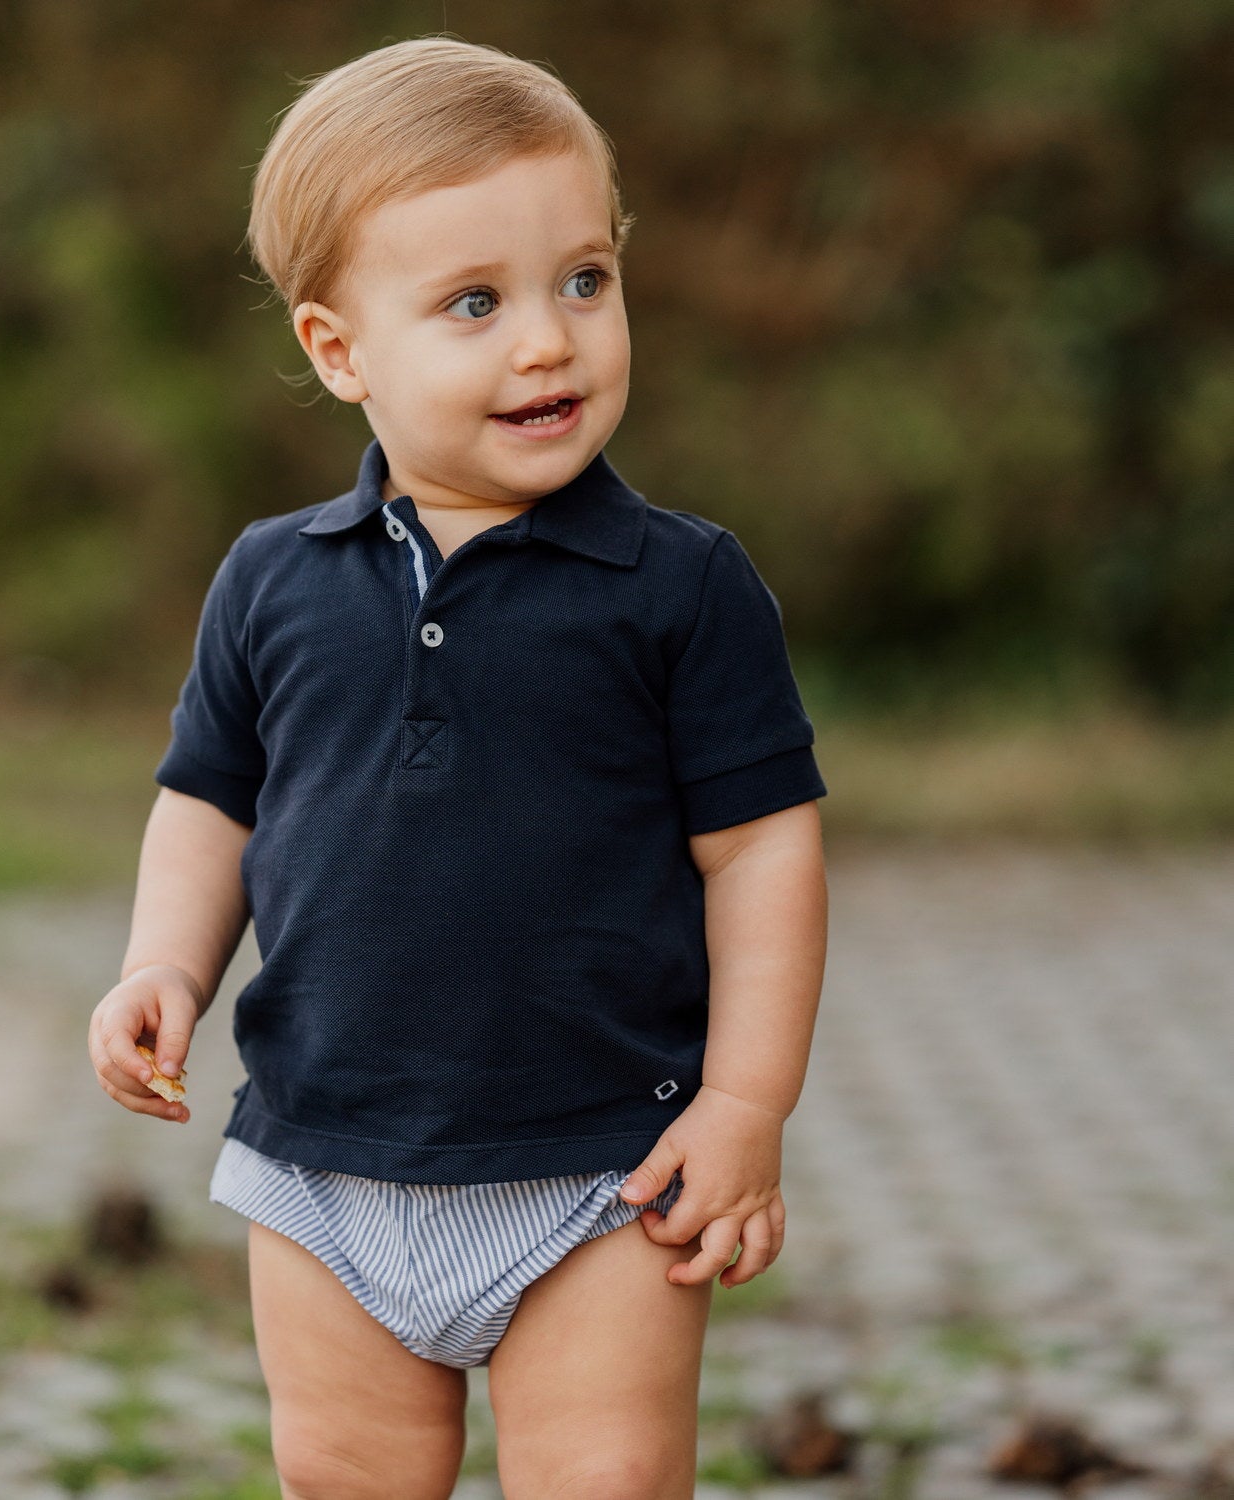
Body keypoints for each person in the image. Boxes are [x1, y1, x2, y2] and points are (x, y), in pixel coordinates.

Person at [87, 34, 829, 1500]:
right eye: (474, 303)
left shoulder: (679, 586)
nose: (548, 340)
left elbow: (763, 850)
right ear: (338, 348)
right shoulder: (270, 581)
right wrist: (163, 965)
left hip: (603, 1174)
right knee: (346, 1481)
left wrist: (745, 1105)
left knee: (606, 1481)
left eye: (584, 281)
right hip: (324, 1168)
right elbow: (210, 800)